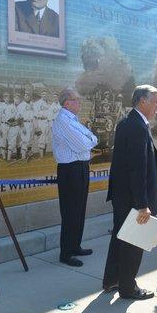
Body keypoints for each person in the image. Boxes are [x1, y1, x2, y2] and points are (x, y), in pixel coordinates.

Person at [103, 85, 157, 300]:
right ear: (142, 101)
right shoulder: (137, 127)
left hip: (122, 195)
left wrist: (155, 160)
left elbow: (134, 157)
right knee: (133, 242)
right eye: (156, 101)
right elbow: (136, 169)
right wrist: (142, 204)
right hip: (133, 198)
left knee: (119, 238)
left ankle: (112, 280)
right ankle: (128, 288)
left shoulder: (129, 122)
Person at [52, 88, 98, 267]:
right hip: (70, 170)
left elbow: (93, 138)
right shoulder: (63, 120)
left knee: (79, 209)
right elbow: (83, 144)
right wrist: (88, 140)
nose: (79, 103)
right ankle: (66, 252)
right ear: (67, 103)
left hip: (81, 168)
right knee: (70, 211)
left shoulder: (73, 120)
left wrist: (89, 140)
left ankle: (75, 245)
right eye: (76, 100)